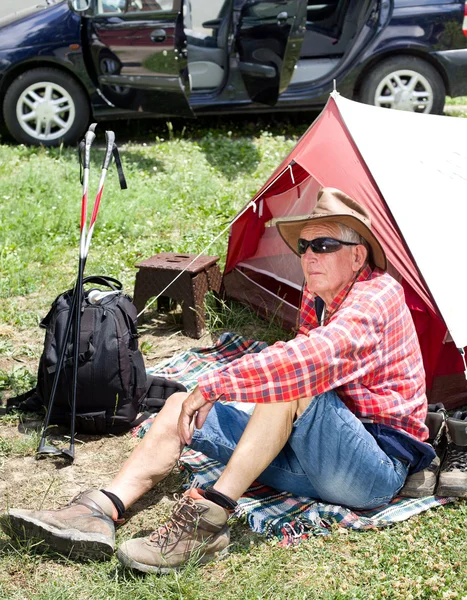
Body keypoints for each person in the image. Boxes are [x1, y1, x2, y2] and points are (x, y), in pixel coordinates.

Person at [1, 188, 434, 574]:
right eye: (303, 246)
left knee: (289, 381)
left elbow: (309, 360)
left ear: (358, 255)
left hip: (372, 470)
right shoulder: (318, 293)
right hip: (315, 456)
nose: (309, 256)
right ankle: (99, 511)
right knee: (178, 404)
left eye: (323, 244)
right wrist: (211, 395)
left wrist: (219, 385)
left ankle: (209, 520)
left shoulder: (378, 296)